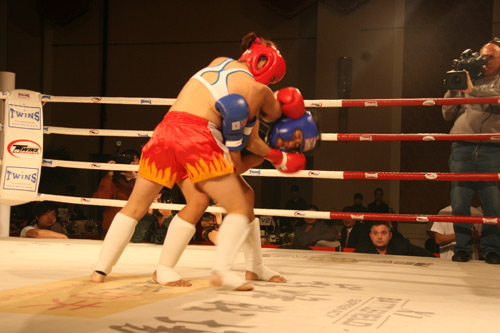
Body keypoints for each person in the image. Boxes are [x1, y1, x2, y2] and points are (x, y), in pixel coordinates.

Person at [91, 32, 312, 291]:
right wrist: (280, 156)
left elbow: (243, 141)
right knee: (239, 205)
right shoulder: (259, 90)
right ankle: (224, 270)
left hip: (165, 131)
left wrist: (263, 153)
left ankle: (103, 269)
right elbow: (250, 145)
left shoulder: (219, 61)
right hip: (197, 137)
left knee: (151, 205)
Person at [442, 37, 500, 264]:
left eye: (491, 57)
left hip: (493, 148)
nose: (485, 61)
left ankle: (492, 248)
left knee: (493, 202)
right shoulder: (467, 79)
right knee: (459, 202)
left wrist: (471, 89)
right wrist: (452, 87)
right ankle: (462, 248)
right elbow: (447, 115)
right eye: (482, 57)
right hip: (462, 145)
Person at [93, 149, 140, 237]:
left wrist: (136, 177)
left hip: (136, 228)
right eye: (130, 161)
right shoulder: (111, 180)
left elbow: (147, 198)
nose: (132, 163)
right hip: (112, 226)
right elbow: (102, 200)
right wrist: (111, 172)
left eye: (135, 160)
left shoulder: (142, 181)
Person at [355, 221, 435, 257]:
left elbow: (429, 256)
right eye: (375, 233)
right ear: (370, 236)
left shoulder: (402, 246)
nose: (379, 237)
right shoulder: (362, 249)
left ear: (390, 235)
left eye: (383, 233)